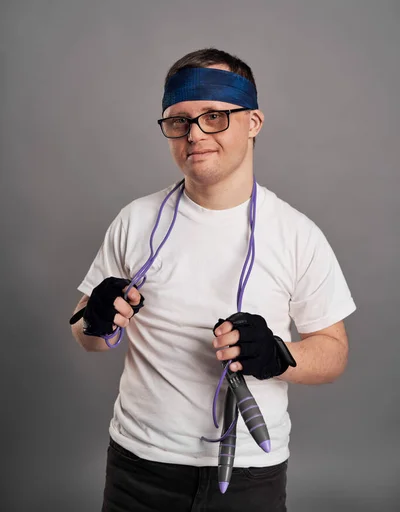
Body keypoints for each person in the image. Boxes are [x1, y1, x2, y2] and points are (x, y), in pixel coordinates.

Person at [70, 48, 356, 512]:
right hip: (138, 468)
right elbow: (86, 335)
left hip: (249, 475)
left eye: (215, 117)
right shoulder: (135, 220)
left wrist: (279, 356)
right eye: (178, 121)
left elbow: (334, 351)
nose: (195, 135)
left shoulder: (296, 234)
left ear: (253, 122)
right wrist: (95, 320)